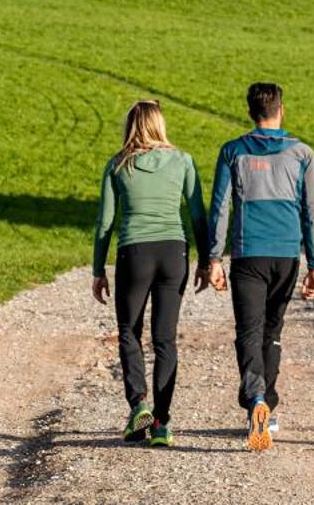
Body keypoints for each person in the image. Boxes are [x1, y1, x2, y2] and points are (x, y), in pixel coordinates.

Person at [207, 81, 314, 453]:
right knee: (272, 331)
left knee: (248, 331)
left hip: (247, 254)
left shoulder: (233, 152)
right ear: (280, 110)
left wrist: (213, 258)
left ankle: (257, 399)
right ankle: (267, 409)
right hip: (286, 255)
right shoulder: (303, 153)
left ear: (250, 112)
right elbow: (311, 212)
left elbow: (220, 207)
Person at [91, 99, 210, 449]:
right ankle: (161, 423)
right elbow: (198, 215)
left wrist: (98, 269)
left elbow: (105, 222)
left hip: (135, 252)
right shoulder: (183, 161)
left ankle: (138, 403)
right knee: (165, 339)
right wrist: (206, 261)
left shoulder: (118, 165)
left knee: (129, 331)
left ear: (131, 126)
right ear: (160, 123)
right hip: (174, 251)